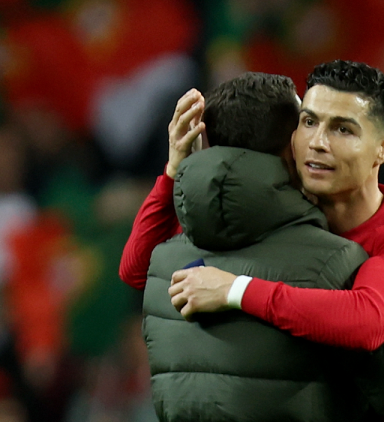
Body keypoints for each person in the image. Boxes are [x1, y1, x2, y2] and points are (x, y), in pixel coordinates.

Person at [121, 62, 384, 421]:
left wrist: (237, 291)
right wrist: (173, 171)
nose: (317, 143)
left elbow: (369, 320)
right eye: (309, 122)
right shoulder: (275, 220)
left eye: (342, 130)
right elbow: (139, 271)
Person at [142, 71, 371, 421]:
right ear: (288, 148)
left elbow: (131, 268)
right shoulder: (336, 261)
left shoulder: (162, 263)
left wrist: (175, 168)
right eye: (305, 125)